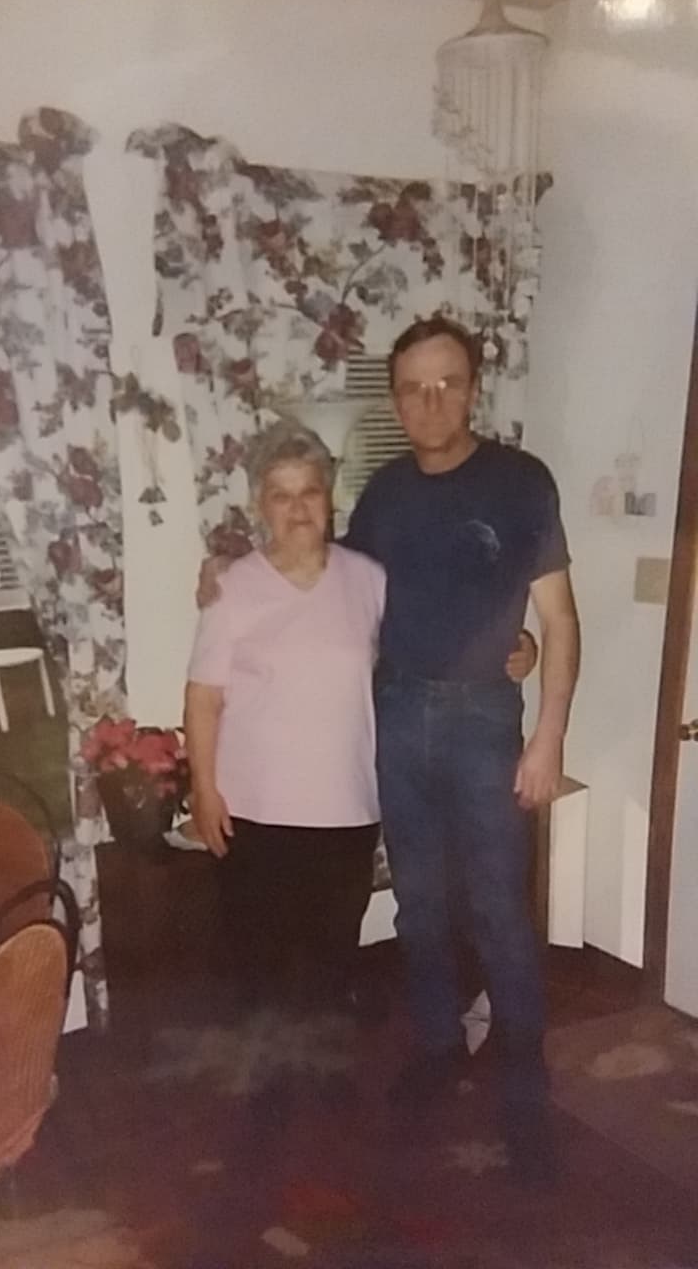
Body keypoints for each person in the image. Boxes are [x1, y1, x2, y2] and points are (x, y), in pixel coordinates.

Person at [343, 316, 580, 1181]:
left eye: (447, 383)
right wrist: (232, 577)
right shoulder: (383, 494)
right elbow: (330, 591)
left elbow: (558, 620)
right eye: (413, 387)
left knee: (497, 910)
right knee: (419, 904)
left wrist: (548, 735)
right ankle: (439, 1046)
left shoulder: (521, 481)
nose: (431, 401)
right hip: (399, 713)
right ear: (395, 400)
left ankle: (524, 1087)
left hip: (485, 721)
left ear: (473, 388)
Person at [185, 421, 385, 1022]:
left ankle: (326, 1064)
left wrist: (516, 649)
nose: (298, 509)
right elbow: (203, 698)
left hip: (346, 810)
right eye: (282, 495)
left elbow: (421, 651)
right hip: (256, 813)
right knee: (259, 972)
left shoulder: (369, 579)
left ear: (330, 496)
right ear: (260, 506)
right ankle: (264, 1074)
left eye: (310, 491)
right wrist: (203, 790)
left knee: (332, 968)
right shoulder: (233, 587)